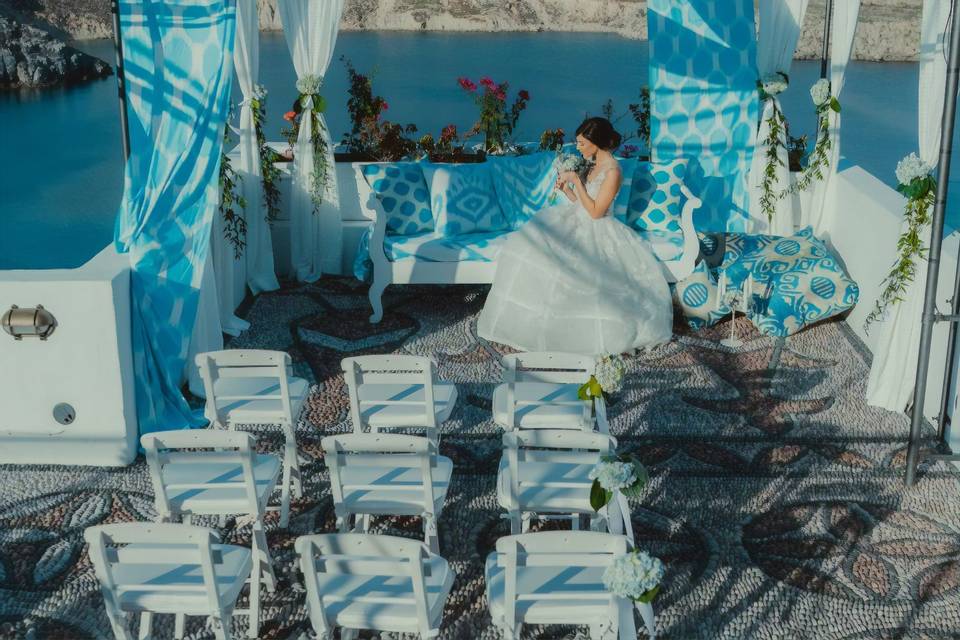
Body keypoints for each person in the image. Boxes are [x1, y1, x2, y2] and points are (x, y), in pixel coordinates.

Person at [477, 117, 673, 355]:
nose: (578, 147)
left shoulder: (613, 171)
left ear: (595, 141)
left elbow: (596, 212)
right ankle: (537, 323)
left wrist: (575, 181)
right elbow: (581, 204)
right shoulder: (592, 164)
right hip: (576, 219)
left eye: (581, 143)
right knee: (530, 247)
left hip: (598, 229)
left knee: (577, 270)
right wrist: (567, 190)